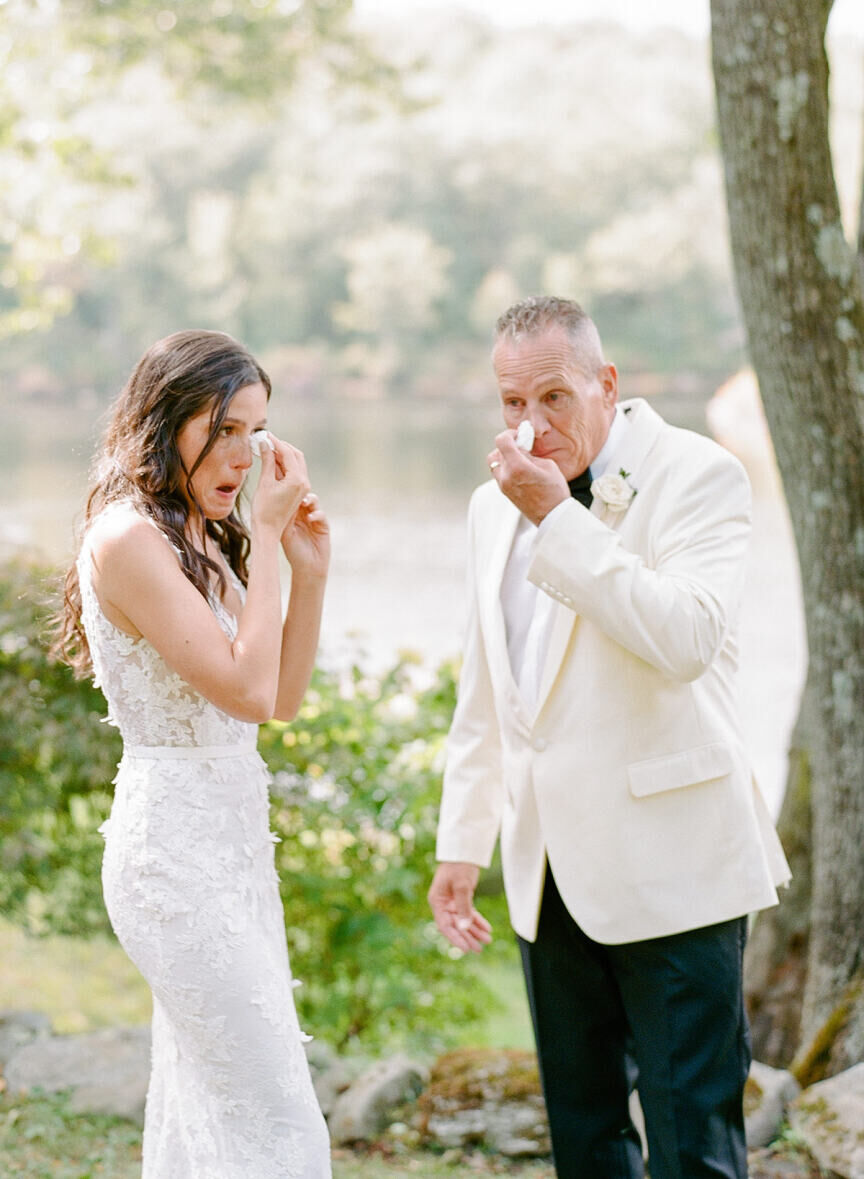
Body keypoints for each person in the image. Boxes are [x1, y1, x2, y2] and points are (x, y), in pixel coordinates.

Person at [428, 297, 791, 1179]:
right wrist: (461, 842)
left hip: (678, 866)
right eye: (512, 404)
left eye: (553, 397)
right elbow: (490, 691)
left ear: (607, 383)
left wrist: (561, 519)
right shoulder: (489, 508)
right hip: (548, 872)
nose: (531, 425)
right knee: (586, 1139)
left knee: (692, 1145)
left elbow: (686, 638)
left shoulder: (702, 474)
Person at [55, 330, 332, 1178]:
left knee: (210, 1115)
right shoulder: (126, 538)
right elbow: (245, 690)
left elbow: (277, 701)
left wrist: (307, 569)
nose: (246, 455)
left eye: (256, 430)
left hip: (236, 850)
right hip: (172, 862)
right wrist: (269, 531)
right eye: (225, 429)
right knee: (281, 1119)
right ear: (166, 419)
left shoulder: (197, 536)